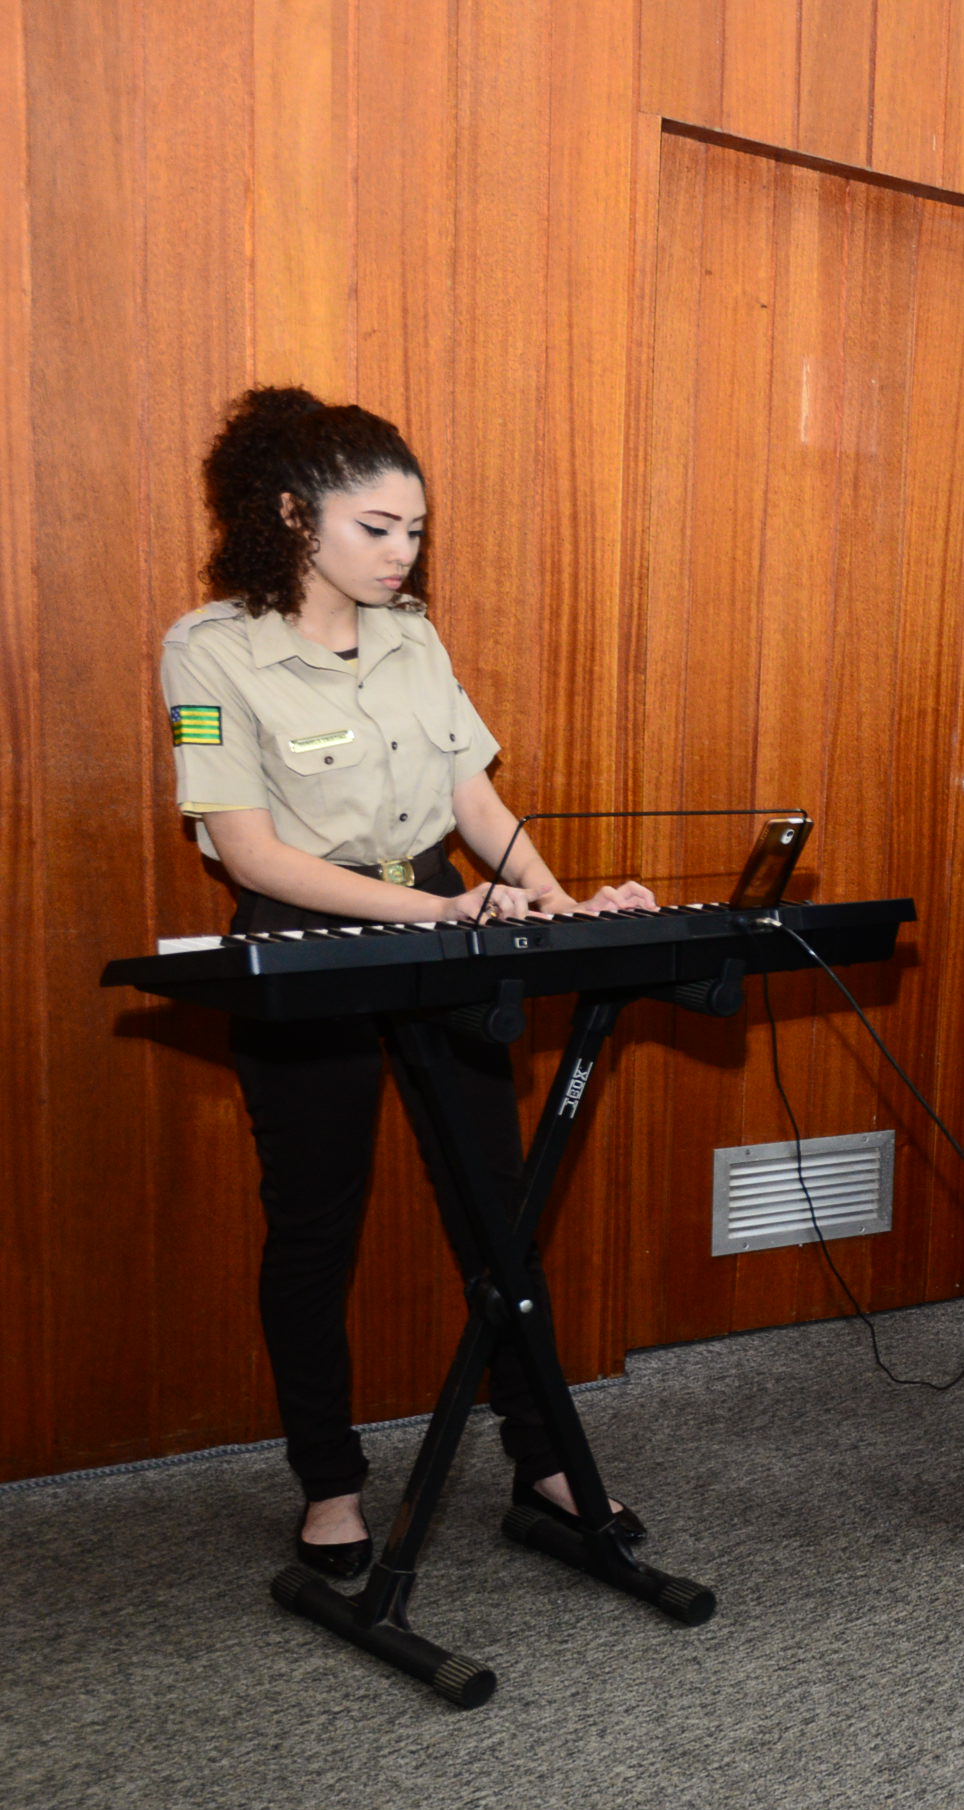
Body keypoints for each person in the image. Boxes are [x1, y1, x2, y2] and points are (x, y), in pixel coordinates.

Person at [162, 387, 658, 1578]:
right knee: (314, 1218)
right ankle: (328, 1482)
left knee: (498, 1207)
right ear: (293, 515)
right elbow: (249, 853)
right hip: (308, 934)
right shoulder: (210, 647)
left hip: (443, 914)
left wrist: (557, 900)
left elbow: (472, 800)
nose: (402, 553)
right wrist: (444, 912)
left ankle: (543, 1455)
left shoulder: (411, 633)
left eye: (415, 530)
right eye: (377, 528)